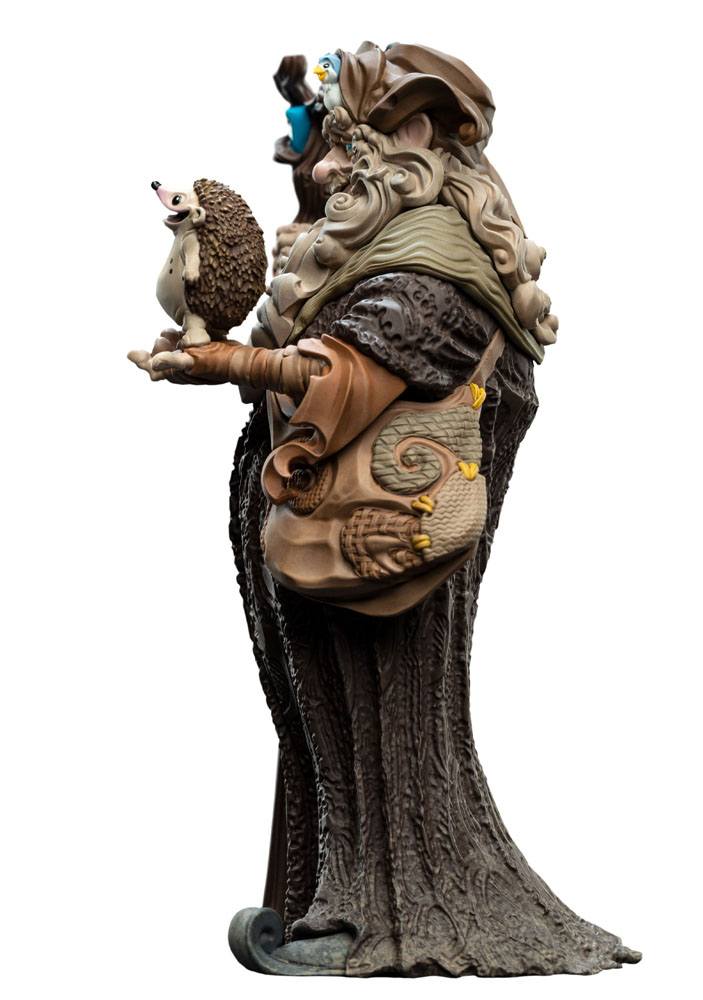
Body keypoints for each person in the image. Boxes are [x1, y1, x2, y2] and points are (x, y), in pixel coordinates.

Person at [130, 42, 639, 978]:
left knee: (384, 716)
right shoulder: (368, 244)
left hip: (386, 537)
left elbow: (360, 367)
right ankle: (333, 893)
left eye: (342, 150)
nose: (324, 171)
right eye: (319, 150)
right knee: (323, 715)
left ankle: (395, 911)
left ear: (412, 143)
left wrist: (232, 362)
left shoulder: (434, 262)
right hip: (325, 523)